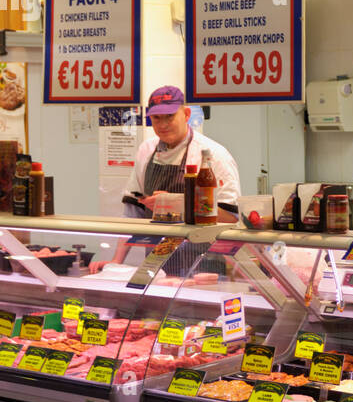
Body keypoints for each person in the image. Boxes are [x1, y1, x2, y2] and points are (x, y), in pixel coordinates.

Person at [89, 87, 241, 273]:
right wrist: (116, 261)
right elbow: (132, 214)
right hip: (155, 267)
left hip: (203, 266)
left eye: (169, 116)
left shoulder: (213, 155)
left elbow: (230, 217)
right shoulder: (146, 150)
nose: (163, 124)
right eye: (156, 118)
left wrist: (175, 204)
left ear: (186, 114)